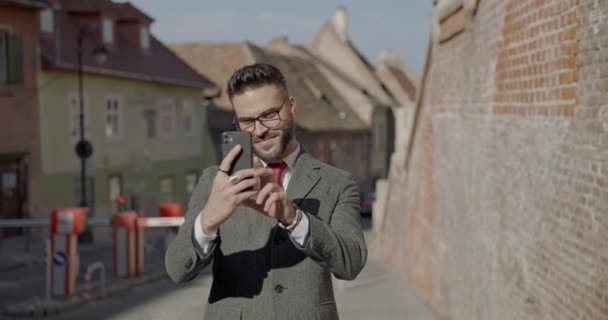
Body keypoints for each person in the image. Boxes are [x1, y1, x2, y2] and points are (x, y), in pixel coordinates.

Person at [165, 63, 367, 320]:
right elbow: (176, 270)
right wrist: (207, 222)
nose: (259, 130)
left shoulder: (337, 183)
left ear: (291, 106)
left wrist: (294, 218)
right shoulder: (216, 181)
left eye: (270, 114)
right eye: (247, 121)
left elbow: (351, 263)